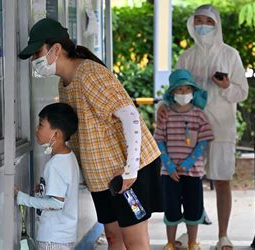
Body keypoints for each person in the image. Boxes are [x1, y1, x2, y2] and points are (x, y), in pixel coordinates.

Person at [18, 18, 162, 249]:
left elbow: (130, 116)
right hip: (102, 178)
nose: (36, 60)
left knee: (134, 242)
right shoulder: (64, 83)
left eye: (37, 53)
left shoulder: (90, 74)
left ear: (56, 49)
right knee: (114, 237)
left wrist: (130, 170)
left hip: (126, 173)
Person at [158, 4, 248, 250]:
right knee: (188, 181)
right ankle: (191, 235)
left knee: (222, 181)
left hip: (221, 128)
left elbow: (243, 92)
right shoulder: (187, 56)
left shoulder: (231, 55)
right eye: (197, 21)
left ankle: (223, 235)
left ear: (216, 25)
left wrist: (227, 85)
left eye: (207, 21)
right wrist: (163, 107)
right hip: (186, 131)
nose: (202, 26)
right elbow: (174, 89)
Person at [155, 69, 214, 250]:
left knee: (194, 208)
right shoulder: (165, 115)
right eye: (179, 89)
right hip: (169, 173)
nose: (184, 93)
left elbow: (203, 143)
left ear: (193, 92)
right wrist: (170, 166)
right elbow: (159, 141)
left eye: (187, 89)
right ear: (172, 92)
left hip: (193, 172)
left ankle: (192, 242)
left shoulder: (199, 115)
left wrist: (187, 164)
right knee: (171, 209)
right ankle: (171, 243)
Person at [14, 102, 80, 250]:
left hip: (53, 238)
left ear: (55, 134)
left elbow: (56, 203)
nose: (36, 129)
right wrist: (44, 189)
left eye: (41, 125)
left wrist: (23, 199)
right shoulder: (68, 157)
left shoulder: (55, 164)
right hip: (63, 235)